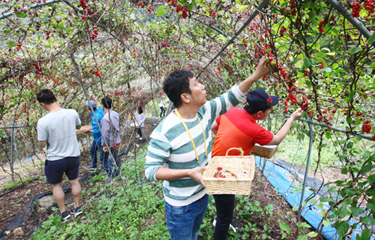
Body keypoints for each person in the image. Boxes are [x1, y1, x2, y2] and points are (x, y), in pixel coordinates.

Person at [144, 58, 270, 240]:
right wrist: (189, 172)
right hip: (180, 206)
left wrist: (257, 75)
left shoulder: (204, 113)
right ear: (185, 97)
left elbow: (231, 96)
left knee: (194, 235)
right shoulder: (164, 132)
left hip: (202, 196)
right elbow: (151, 171)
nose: (203, 86)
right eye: (196, 84)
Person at [210, 89, 303, 240]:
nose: (269, 112)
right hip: (223, 172)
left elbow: (214, 126)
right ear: (259, 114)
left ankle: (225, 214)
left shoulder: (233, 111)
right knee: (224, 212)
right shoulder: (254, 129)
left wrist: (227, 141)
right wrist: (292, 117)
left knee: (226, 199)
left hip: (218, 162)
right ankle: (223, 220)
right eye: (268, 110)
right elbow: (277, 139)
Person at [37, 89, 83, 220]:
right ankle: (77, 207)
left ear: (42, 104)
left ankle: (64, 212)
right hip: (73, 155)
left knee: (57, 185)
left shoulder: (43, 121)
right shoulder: (72, 113)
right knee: (74, 181)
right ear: (55, 98)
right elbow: (79, 127)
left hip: (55, 159)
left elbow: (42, 144)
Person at [101, 96, 121, 178]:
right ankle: (118, 171)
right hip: (116, 139)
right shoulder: (115, 114)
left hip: (111, 141)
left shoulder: (105, 118)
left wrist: (104, 145)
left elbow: (105, 134)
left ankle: (112, 175)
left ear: (103, 106)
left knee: (104, 159)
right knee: (116, 156)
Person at [84, 99, 104, 171]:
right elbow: (101, 106)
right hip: (97, 138)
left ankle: (107, 169)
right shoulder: (100, 110)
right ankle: (93, 165)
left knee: (102, 155)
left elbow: (97, 131)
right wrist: (96, 100)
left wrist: (89, 131)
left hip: (100, 138)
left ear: (89, 108)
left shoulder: (95, 117)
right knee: (92, 150)